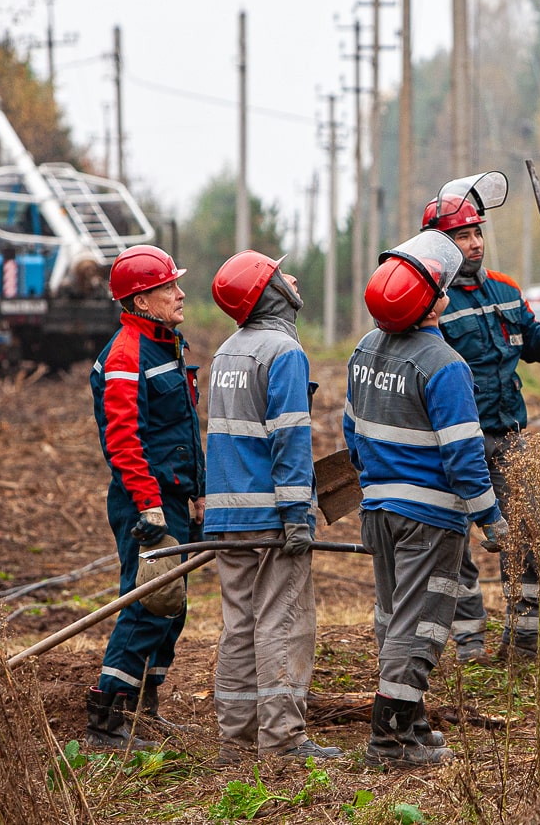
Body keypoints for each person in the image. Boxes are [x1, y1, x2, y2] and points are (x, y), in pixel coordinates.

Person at [344, 230, 508, 768]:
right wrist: (491, 520)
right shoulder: (445, 366)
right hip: (430, 520)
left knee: (395, 615)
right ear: (432, 300)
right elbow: (464, 456)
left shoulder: (364, 350)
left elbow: (352, 432)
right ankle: (388, 741)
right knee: (423, 626)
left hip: (379, 512)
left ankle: (412, 726)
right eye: (441, 283)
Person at [422, 179, 540, 662]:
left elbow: (532, 346)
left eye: (477, 232)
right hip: (452, 443)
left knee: (525, 535)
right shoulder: (432, 302)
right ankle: (470, 642)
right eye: (461, 235)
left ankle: (526, 641)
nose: (474, 242)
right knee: (456, 545)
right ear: (439, 243)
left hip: (508, 438)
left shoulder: (508, 291)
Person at [205, 250, 342, 762]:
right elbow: (288, 440)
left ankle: (236, 741)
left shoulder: (226, 353)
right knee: (283, 621)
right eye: (281, 274)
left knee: (239, 622)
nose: (293, 277)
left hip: (227, 514)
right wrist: (295, 513)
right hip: (271, 515)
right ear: (270, 292)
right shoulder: (283, 352)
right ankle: (283, 740)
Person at [85, 244, 205, 748]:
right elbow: (124, 438)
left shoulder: (164, 344)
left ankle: (143, 709)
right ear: (141, 301)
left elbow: (181, 430)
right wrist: (149, 504)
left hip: (174, 497)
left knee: (171, 605)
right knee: (146, 603)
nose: (179, 294)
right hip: (146, 502)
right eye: (168, 288)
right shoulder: (126, 354)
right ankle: (107, 716)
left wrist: (195, 494)